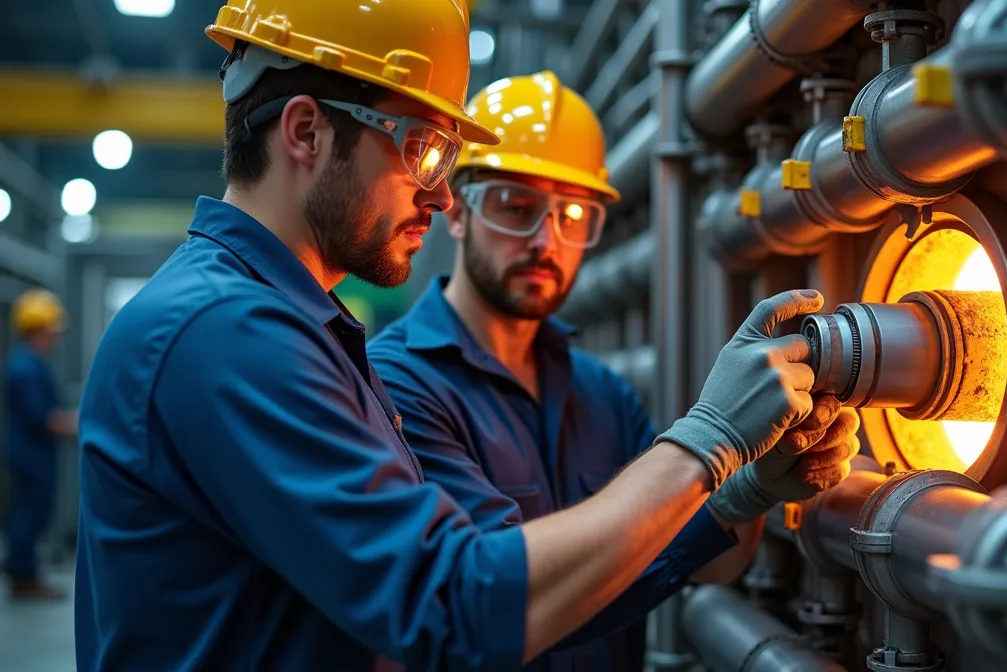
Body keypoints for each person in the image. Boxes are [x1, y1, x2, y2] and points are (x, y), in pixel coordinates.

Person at [75, 3, 832, 670]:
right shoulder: (228, 336)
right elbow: (454, 606)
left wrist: (742, 490)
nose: (438, 194)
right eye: (421, 147)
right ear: (305, 130)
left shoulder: (301, 329)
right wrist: (707, 443)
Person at [367, 71, 862, 670]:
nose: (545, 240)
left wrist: (746, 491)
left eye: (573, 213)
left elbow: (701, 561)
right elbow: (493, 604)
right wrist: (711, 438)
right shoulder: (395, 385)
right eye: (514, 206)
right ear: (458, 213)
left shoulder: (600, 392)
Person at [3, 289, 77, 599]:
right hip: (31, 454)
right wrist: (79, 423)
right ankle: (24, 576)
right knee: (28, 515)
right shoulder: (26, 368)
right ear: (39, 328)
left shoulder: (28, 363)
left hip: (32, 452)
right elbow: (41, 417)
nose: (56, 336)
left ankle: (22, 570)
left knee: (29, 513)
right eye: (53, 329)